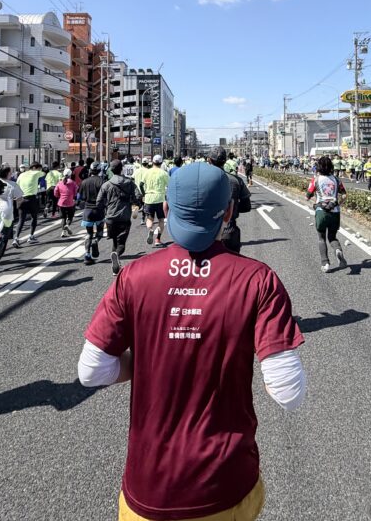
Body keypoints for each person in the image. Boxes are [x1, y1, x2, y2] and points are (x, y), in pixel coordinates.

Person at [78, 161, 306, 521]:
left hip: (148, 486)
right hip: (226, 484)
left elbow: (91, 371)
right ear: (228, 212)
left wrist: (150, 358)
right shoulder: (258, 280)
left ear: (166, 208)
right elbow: (288, 393)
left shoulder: (134, 277)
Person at [95, 160, 141, 275]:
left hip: (110, 217)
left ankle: (115, 268)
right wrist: (135, 204)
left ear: (110, 169)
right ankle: (117, 256)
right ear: (122, 169)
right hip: (124, 217)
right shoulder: (129, 183)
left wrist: (106, 208)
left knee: (115, 241)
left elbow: (99, 202)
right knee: (121, 245)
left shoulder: (106, 184)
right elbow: (138, 196)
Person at [306, 155, 348, 273]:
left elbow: (307, 196)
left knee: (321, 238)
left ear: (318, 167)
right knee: (332, 237)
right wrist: (337, 203)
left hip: (321, 212)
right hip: (335, 212)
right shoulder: (336, 179)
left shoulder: (316, 180)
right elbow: (344, 195)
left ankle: (325, 263)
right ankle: (338, 250)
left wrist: (314, 197)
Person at [208, 147, 251, 253]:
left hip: (206, 230)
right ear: (225, 161)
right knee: (232, 265)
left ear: (209, 160)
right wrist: (233, 209)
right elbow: (246, 206)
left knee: (207, 267)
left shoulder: (199, 180)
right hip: (229, 230)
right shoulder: (236, 180)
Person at [79, 163, 106, 264]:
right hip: (99, 210)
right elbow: (106, 197)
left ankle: (87, 255)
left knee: (89, 233)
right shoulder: (102, 182)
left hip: (87, 210)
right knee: (99, 232)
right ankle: (96, 241)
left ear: (90, 170)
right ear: (99, 170)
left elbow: (80, 197)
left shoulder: (84, 182)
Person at [142, 155, 170, 248]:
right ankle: (158, 239)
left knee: (150, 219)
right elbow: (169, 185)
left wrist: (143, 194)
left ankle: (150, 229)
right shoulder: (163, 173)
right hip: (160, 198)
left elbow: (141, 184)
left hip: (148, 197)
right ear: (161, 163)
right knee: (161, 220)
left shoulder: (147, 172)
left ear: (152, 162)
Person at [14, 162, 45, 244]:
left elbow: (16, 185)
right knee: (34, 217)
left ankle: (16, 238)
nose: (40, 170)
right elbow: (44, 173)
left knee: (21, 220)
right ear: (35, 167)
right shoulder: (36, 173)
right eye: (39, 168)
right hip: (31, 199)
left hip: (21, 199)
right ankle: (31, 236)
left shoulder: (21, 175)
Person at [54, 169, 78, 238]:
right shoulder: (73, 183)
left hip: (61, 202)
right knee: (70, 216)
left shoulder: (59, 183)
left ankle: (63, 232)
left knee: (63, 218)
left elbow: (55, 193)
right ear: (70, 175)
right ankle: (67, 225)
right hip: (70, 202)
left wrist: (59, 196)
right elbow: (76, 192)